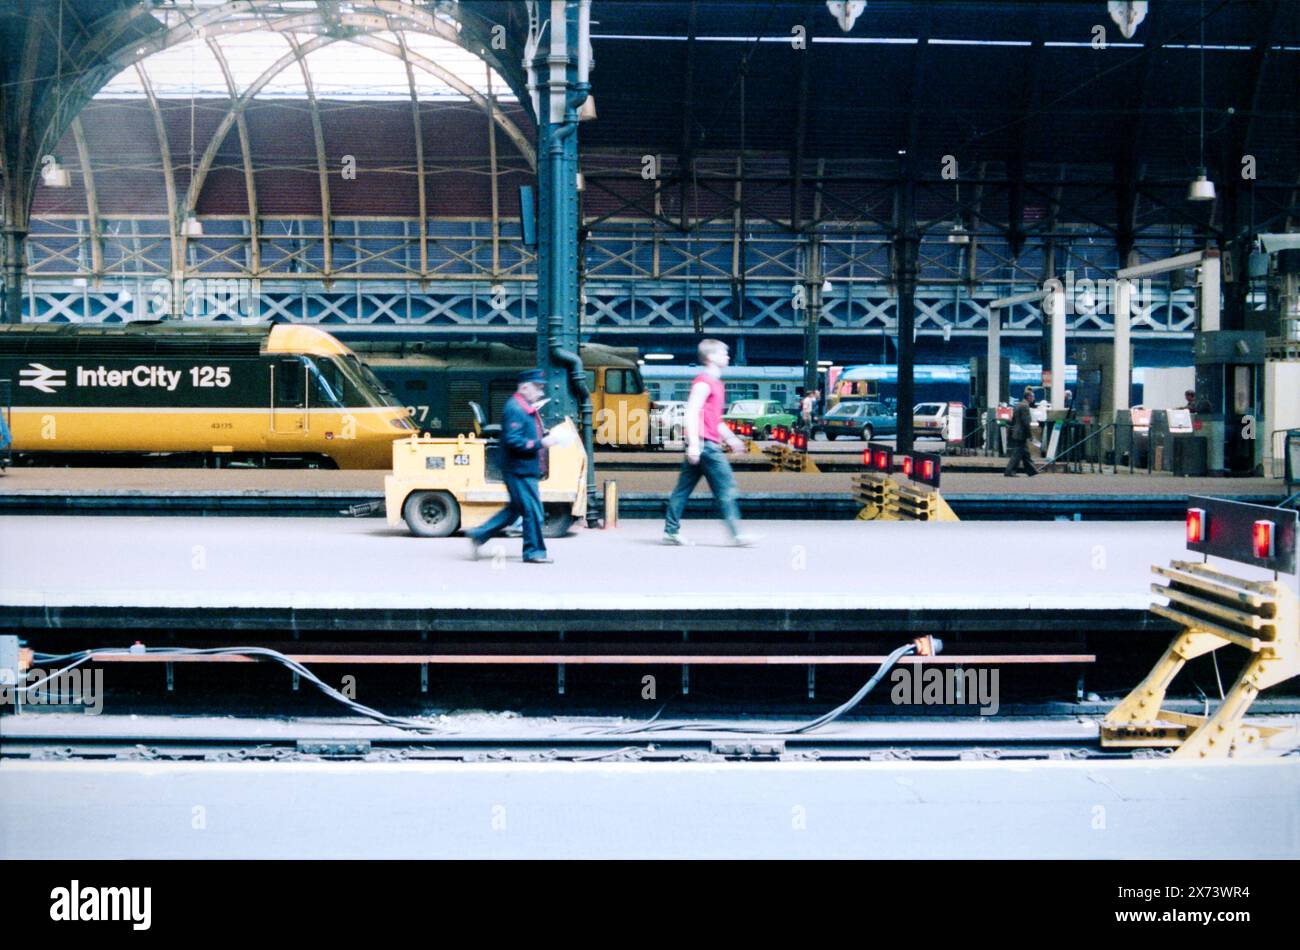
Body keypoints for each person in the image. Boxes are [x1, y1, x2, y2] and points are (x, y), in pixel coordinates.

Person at [467, 369, 572, 564]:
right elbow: (514, 441)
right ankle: (534, 552)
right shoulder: (515, 408)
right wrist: (542, 443)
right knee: (533, 512)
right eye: (537, 387)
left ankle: (479, 534)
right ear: (524, 387)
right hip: (518, 470)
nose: (540, 392)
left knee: (515, 510)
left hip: (523, 468)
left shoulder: (524, 406)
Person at [663, 339, 757, 546]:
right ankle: (737, 535)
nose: (728, 356)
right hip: (705, 445)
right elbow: (691, 410)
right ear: (711, 357)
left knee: (683, 489)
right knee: (726, 488)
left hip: (705, 442)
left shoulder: (716, 384)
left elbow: (714, 419)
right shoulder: (704, 382)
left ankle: (671, 530)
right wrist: (694, 444)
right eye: (724, 353)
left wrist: (731, 438)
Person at [1004, 385, 1038, 478]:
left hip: (1016, 432)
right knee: (1017, 453)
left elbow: (1013, 419)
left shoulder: (1018, 405)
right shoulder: (1025, 407)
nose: (1034, 398)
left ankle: (1032, 471)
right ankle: (1009, 471)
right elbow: (1026, 422)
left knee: (1025, 453)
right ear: (1029, 397)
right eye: (1033, 396)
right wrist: (1030, 435)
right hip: (1021, 433)